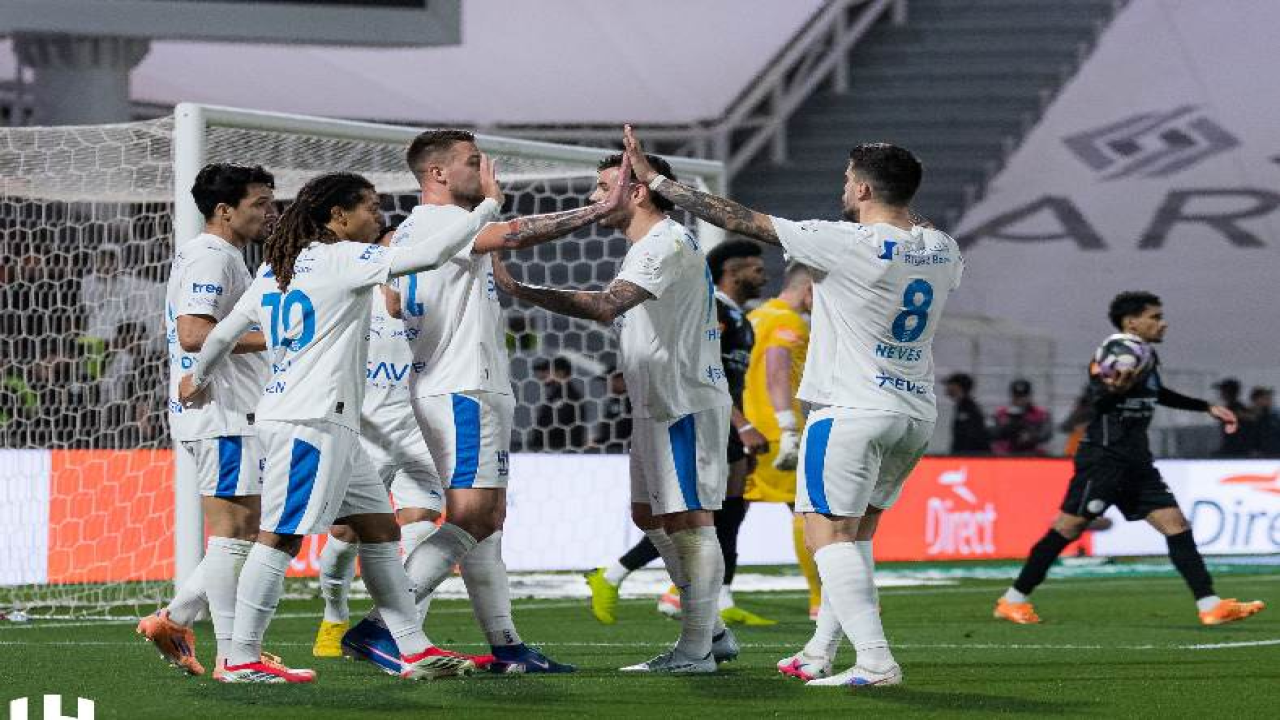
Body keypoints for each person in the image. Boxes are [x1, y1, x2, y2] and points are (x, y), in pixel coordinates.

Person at [622, 125, 961, 688]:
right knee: (854, 537)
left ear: (864, 190)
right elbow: (909, 222)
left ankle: (876, 661)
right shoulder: (942, 246)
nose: (844, 188)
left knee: (825, 535)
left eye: (849, 180)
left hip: (849, 408)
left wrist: (657, 182)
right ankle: (819, 652)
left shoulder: (843, 240)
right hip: (914, 412)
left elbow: (741, 219)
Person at [179, 169, 504, 682]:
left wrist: (197, 377)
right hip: (310, 421)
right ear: (338, 216)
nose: (378, 217)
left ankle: (412, 647)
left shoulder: (277, 267)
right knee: (281, 537)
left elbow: (222, 335)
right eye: (370, 207)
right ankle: (239, 657)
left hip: (319, 419)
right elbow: (430, 255)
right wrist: (486, 208)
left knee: (380, 529)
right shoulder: (343, 258)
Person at [340, 129, 636, 675]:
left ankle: (506, 646)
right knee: (474, 518)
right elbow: (518, 234)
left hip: (451, 386)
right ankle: (381, 627)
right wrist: (601, 209)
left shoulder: (412, 232)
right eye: (473, 161)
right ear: (437, 173)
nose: (485, 170)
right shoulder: (443, 222)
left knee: (485, 523)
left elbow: (395, 301)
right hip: (464, 389)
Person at [493, 150, 739, 673]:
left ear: (638, 191)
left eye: (604, 187)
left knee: (690, 520)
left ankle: (696, 650)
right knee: (648, 516)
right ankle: (713, 632)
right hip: (655, 402)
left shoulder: (665, 241)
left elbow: (608, 305)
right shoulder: (647, 246)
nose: (592, 198)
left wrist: (519, 290)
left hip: (684, 401)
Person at [994, 291, 1264, 627]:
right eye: (1155, 317)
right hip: (1104, 457)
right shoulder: (1116, 350)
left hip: (1136, 460)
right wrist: (1114, 389)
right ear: (1131, 322)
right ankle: (1012, 600)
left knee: (1176, 525)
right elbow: (1099, 399)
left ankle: (1211, 605)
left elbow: (1157, 393)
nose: (1162, 323)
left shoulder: (1145, 354)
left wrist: (1206, 407)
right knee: (1068, 528)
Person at [584, 239, 774, 628]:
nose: (764, 275)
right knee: (693, 516)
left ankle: (721, 596)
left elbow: (733, 382)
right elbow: (705, 373)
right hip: (703, 418)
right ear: (732, 271)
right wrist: (743, 425)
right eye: (756, 268)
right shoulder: (712, 309)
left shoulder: (742, 318)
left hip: (727, 422)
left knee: (731, 513)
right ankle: (614, 574)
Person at [136, 163, 274, 678]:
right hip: (224, 412)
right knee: (234, 534)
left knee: (243, 531)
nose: (269, 213)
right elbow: (195, 333)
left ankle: (174, 621)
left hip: (229, 410)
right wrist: (281, 336)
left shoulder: (222, 255)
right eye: (259, 204)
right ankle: (233, 657)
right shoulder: (212, 256)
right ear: (224, 210)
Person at [310, 224, 453, 661]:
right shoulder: (355, 297)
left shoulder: (431, 304)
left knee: (421, 526)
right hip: (366, 432)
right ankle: (334, 614)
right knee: (345, 534)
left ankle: (400, 630)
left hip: (419, 430)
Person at [742, 262, 823, 619]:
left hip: (745, 429)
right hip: (777, 432)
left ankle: (678, 593)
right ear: (809, 290)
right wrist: (788, 426)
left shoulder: (754, 316)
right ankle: (820, 600)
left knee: (728, 514)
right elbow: (776, 371)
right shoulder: (789, 321)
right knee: (807, 511)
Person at [528, 356, 585, 451]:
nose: (542, 375)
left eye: (546, 371)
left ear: (561, 373)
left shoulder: (568, 396)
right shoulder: (557, 394)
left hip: (561, 453)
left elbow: (556, 427)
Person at [991, 379, 1051, 456]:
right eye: (1016, 396)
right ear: (1012, 396)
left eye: (1023, 396)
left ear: (1029, 396)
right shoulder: (1000, 413)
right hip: (1006, 454)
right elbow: (992, 434)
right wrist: (1006, 429)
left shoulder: (1041, 414)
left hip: (1032, 453)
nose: (1019, 400)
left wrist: (1031, 436)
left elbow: (1046, 434)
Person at [942, 372, 991, 455]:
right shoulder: (962, 406)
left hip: (970, 456)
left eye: (950, 384)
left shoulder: (968, 408)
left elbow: (972, 436)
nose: (947, 388)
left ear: (958, 387)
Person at [589, 370, 631, 452]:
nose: (605, 385)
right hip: (613, 449)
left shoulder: (631, 402)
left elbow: (622, 431)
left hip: (623, 451)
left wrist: (600, 442)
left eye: (609, 381)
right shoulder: (614, 400)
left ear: (621, 381)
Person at [1213, 378, 1250, 457]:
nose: (1221, 394)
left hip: (1235, 451)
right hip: (1235, 449)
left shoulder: (1235, 409)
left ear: (1227, 393)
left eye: (1222, 391)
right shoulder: (1239, 408)